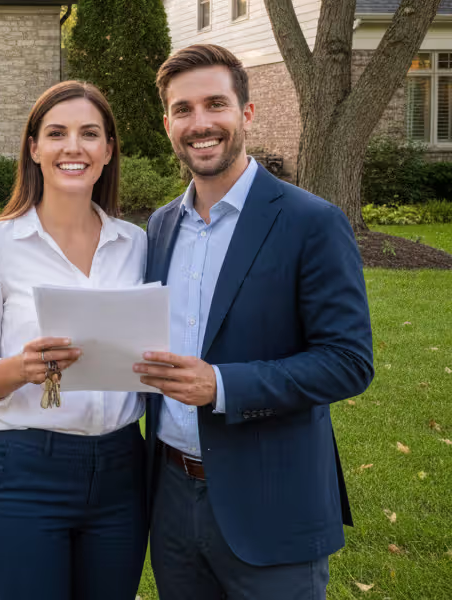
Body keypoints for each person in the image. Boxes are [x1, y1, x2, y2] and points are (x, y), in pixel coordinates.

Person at [132, 43, 374, 599]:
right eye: (183, 109)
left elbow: (348, 362)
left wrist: (220, 386)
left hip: (272, 502)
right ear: (167, 122)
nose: (201, 123)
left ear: (246, 112)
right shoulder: (162, 226)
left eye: (215, 104)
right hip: (170, 498)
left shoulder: (311, 222)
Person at [0, 81, 148, 600]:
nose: (73, 147)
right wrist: (19, 368)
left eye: (89, 134)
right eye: (56, 133)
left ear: (108, 150)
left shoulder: (136, 245)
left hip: (124, 471)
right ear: (34, 148)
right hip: (27, 470)